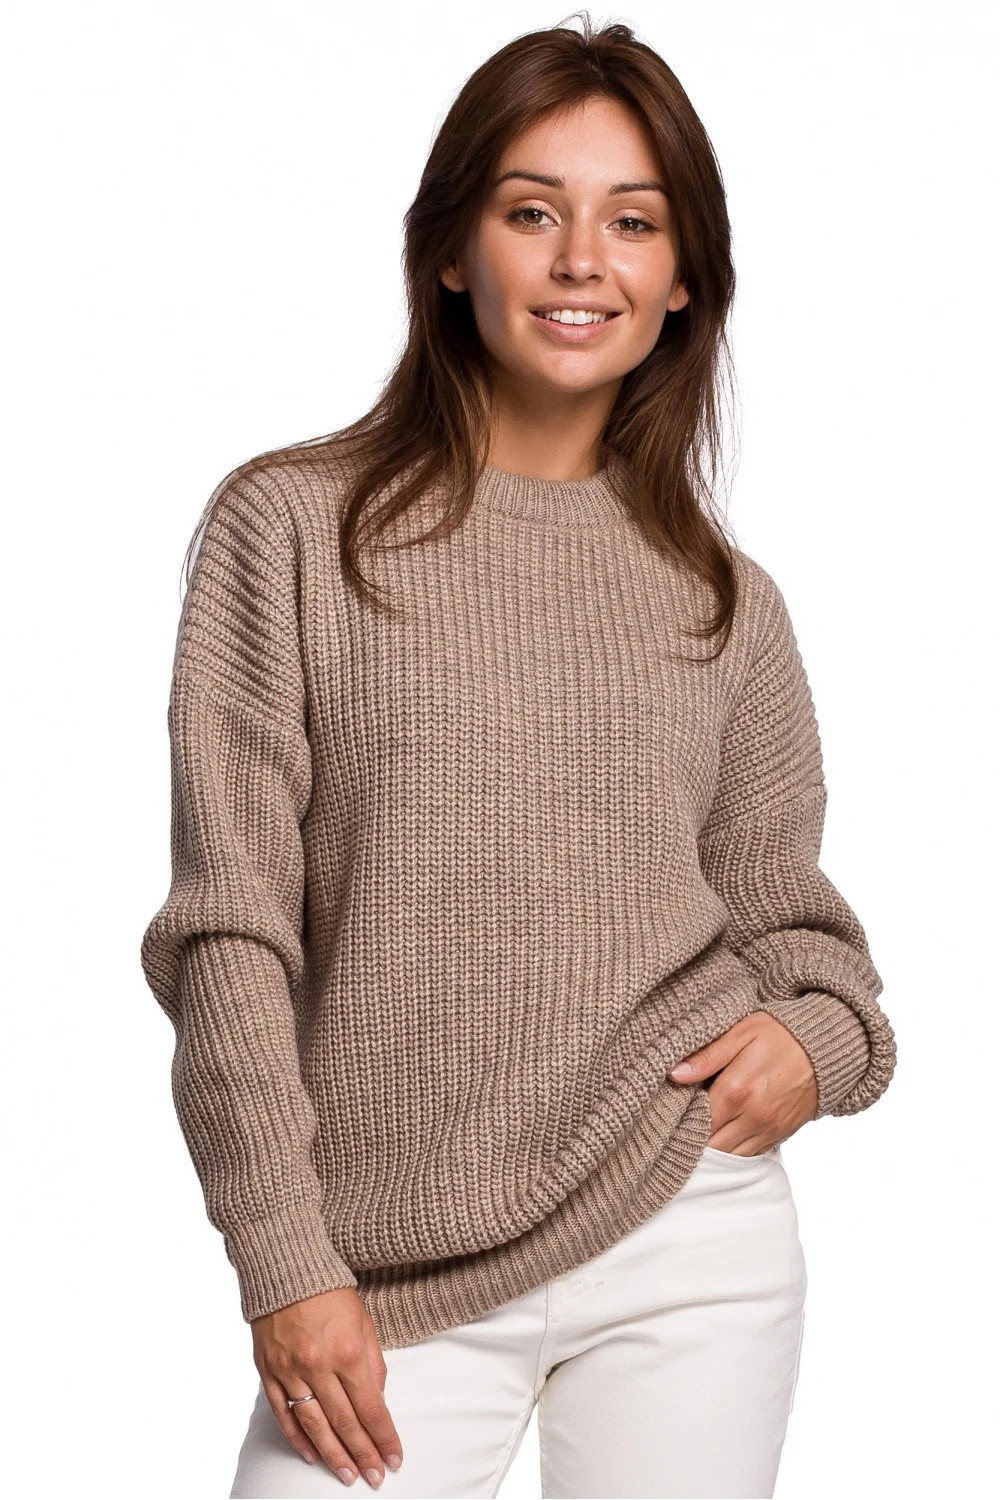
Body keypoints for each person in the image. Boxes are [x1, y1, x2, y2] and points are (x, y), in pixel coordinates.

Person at [139, 16, 897, 1499]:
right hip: (378, 1271)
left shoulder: (726, 604)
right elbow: (229, 930)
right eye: (532, 212)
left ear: (683, 280)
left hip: (689, 1238)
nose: (581, 262)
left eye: (634, 222)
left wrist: (818, 1045)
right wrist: (282, 1257)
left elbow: (805, 941)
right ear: (449, 251)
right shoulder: (288, 530)